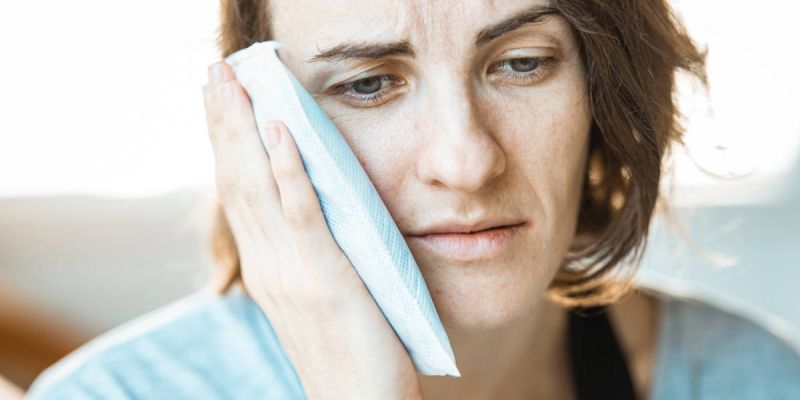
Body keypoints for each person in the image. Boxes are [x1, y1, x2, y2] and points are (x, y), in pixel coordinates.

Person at [25, 0, 800, 399]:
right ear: (259, 121)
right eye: (368, 85)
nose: (465, 160)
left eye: (524, 64)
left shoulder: (751, 379)